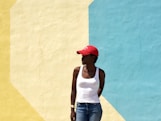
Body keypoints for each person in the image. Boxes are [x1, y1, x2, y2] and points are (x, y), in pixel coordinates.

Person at [70, 45, 105, 121]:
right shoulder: (77, 71)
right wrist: (72, 108)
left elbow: (101, 87)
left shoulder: (100, 73)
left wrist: (94, 96)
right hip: (80, 107)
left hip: (95, 107)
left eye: (85, 55)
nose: (82, 57)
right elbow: (73, 90)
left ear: (93, 58)